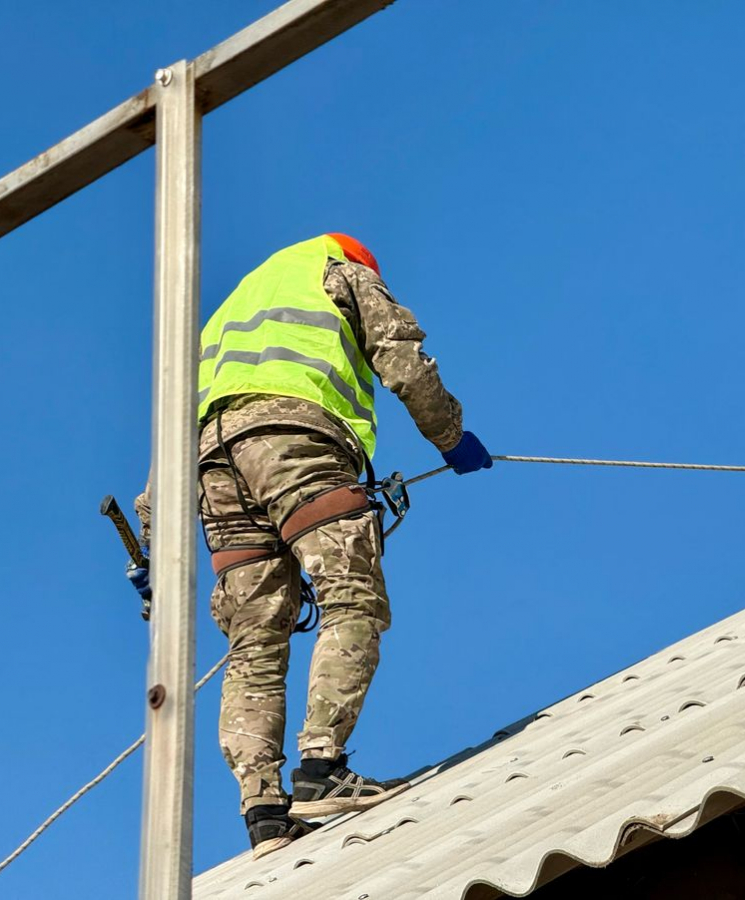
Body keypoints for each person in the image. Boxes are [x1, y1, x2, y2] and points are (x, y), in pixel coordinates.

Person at [129, 233, 490, 859]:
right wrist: (452, 438)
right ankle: (322, 767)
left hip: (212, 471)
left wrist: (156, 550)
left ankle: (263, 810)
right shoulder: (339, 271)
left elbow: (171, 433)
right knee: (351, 598)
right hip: (296, 444)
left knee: (254, 645)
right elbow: (402, 360)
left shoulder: (223, 322)